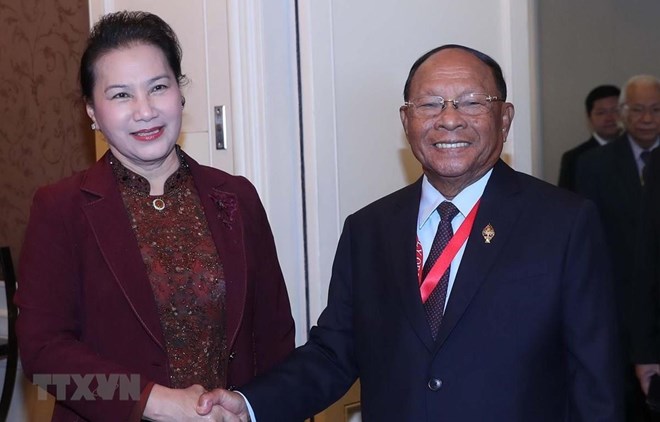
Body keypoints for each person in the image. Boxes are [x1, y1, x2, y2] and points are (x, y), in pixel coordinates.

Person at [196, 44, 623, 421]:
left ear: (505, 117)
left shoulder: (564, 223)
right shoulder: (368, 230)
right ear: (406, 120)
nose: (450, 120)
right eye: (430, 104)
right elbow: (333, 354)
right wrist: (250, 405)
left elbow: (596, 378)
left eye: (472, 102)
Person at [15, 11, 295, 422]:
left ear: (179, 93)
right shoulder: (61, 209)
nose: (145, 111)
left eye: (158, 87)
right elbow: (43, 351)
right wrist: (150, 400)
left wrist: (266, 409)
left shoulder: (236, 197)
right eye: (121, 95)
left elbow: (274, 336)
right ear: (92, 112)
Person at [576, 74, 660, 421]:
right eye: (637, 109)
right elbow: (585, 243)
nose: (646, 118)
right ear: (623, 113)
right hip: (614, 308)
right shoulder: (593, 165)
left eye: (656, 110)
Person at [557, 84, 621, 191]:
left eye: (615, 111)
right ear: (589, 117)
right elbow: (566, 201)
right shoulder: (574, 158)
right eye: (601, 113)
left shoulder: (638, 151)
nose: (609, 118)